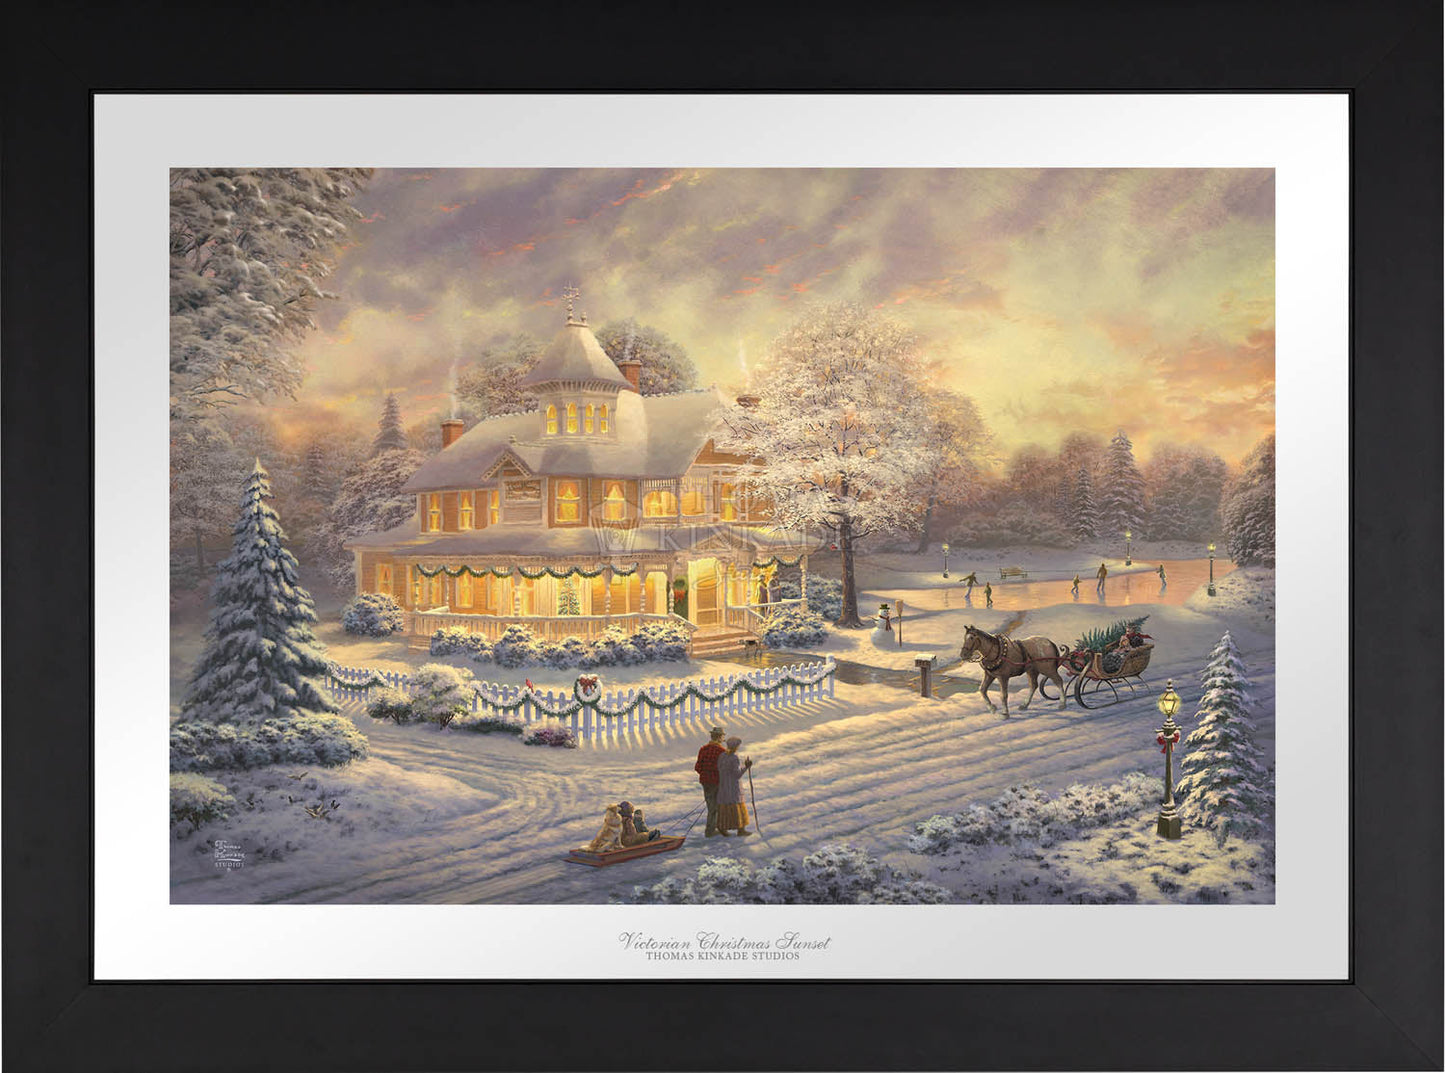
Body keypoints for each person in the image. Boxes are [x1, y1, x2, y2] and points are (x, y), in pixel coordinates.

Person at [715, 736, 754, 836]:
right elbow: (737, 774)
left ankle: (723, 828)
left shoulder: (722, 756)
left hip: (723, 785)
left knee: (725, 807)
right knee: (737, 806)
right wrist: (746, 767)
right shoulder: (734, 757)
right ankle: (741, 830)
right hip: (733, 787)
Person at [694, 726, 727, 837]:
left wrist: (705, 774)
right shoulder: (722, 752)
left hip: (705, 782)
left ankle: (713, 828)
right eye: (722, 737)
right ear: (719, 737)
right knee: (716, 807)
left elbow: (697, 767)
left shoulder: (703, 749)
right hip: (717, 782)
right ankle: (711, 830)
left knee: (711, 806)